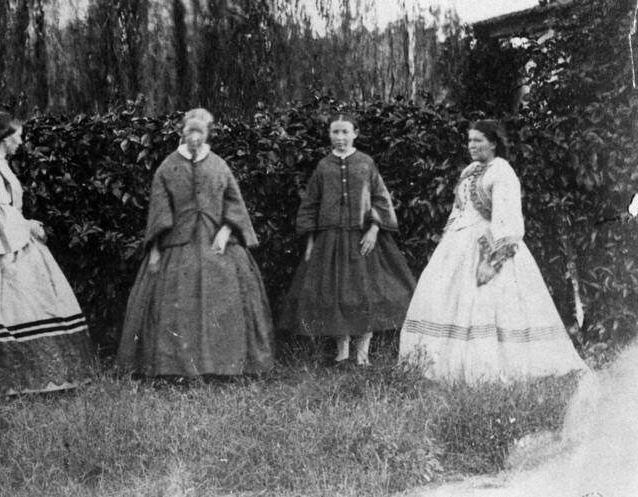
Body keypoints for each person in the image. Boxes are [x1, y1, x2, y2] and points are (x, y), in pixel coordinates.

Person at [399, 119, 588, 382]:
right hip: (458, 246)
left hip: (491, 247)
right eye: (469, 140)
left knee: (488, 305)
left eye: (478, 140)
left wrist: (492, 261)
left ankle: (489, 368)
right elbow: (458, 212)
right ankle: (438, 364)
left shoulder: (502, 171)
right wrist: (446, 246)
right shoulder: (469, 171)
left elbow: (507, 219)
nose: (472, 145)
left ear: (493, 142)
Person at [0, 112, 95, 396]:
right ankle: (2, 378)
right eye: (18, 136)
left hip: (10, 235)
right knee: (0, 303)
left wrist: (23, 225)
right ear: (4, 137)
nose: (21, 141)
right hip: (0, 241)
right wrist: (28, 225)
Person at [117, 108, 275, 377]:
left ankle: (227, 365)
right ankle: (173, 367)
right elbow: (158, 211)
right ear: (182, 132)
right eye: (189, 131)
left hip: (219, 243)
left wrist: (226, 231)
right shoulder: (167, 167)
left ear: (207, 133)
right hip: (178, 244)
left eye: (200, 131)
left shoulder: (218, 165)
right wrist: (155, 249)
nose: (194, 137)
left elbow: (234, 203)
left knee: (226, 300)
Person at [278, 113, 416, 367]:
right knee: (336, 295)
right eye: (335, 132)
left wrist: (374, 229)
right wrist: (310, 242)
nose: (340, 138)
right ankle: (342, 353)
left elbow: (380, 199)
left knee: (365, 295)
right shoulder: (323, 166)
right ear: (329, 135)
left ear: (355, 134)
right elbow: (310, 204)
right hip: (329, 241)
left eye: (345, 132)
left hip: (362, 240)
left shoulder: (366, 163)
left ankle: (362, 355)